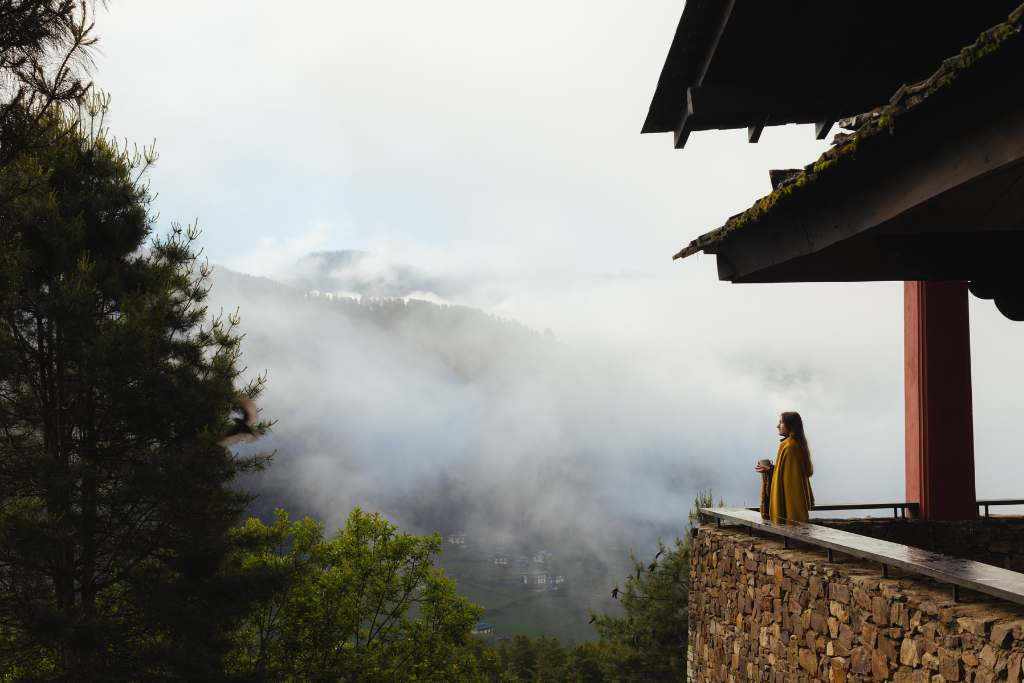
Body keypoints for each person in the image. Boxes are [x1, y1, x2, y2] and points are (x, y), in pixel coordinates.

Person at [755, 412, 815, 523]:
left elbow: (791, 483)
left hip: (792, 507)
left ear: (790, 425)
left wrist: (771, 471)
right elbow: (787, 474)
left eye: (781, 422)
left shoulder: (790, 446)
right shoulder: (794, 444)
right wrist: (770, 470)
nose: (778, 426)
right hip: (793, 504)